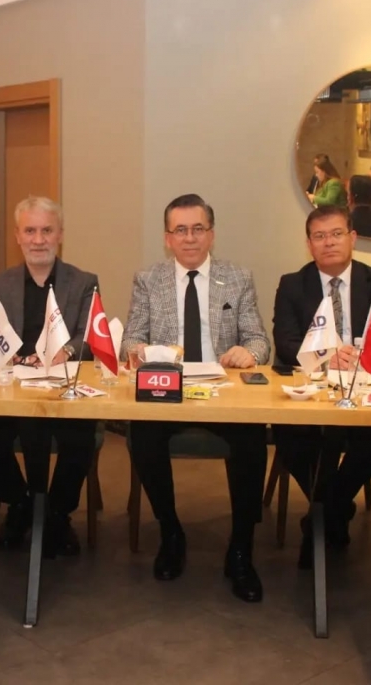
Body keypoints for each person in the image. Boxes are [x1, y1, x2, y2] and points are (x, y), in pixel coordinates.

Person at [122, 193, 271, 603]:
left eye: (198, 229)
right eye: (180, 230)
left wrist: (248, 353)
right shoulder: (148, 280)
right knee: (143, 435)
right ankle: (171, 532)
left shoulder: (237, 278)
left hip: (222, 392)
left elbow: (260, 340)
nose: (190, 238)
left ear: (212, 234)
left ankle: (241, 548)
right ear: (167, 237)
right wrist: (141, 352)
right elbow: (130, 339)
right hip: (167, 390)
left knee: (251, 438)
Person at [272, 206, 371, 560]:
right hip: (313, 389)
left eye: (336, 234)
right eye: (319, 236)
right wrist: (324, 356)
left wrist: (361, 357)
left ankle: (325, 511)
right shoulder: (292, 284)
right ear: (309, 244)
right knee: (290, 436)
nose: (328, 242)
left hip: (364, 389)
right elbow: (285, 342)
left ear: (352, 238)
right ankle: (335, 512)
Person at [0, 196, 98, 557]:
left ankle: (57, 513)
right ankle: (20, 504)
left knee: (81, 438)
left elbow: (89, 334)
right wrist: (2, 355)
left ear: (60, 234)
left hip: (62, 388)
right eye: (30, 231)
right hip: (11, 389)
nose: (38, 240)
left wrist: (66, 351)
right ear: (18, 236)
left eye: (46, 231)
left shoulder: (84, 282)